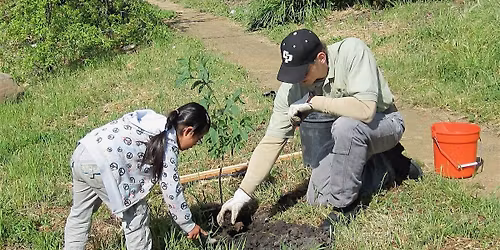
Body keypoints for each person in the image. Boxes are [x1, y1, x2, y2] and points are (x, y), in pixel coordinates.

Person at [217, 29, 421, 229]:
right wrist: (242, 194)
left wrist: (315, 102)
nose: (298, 80)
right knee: (318, 196)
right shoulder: (292, 88)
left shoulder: (352, 52)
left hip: (384, 122)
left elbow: (366, 110)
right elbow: (272, 140)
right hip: (347, 137)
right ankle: (386, 166)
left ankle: (345, 207)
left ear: (321, 58)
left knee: (346, 126)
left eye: (302, 73)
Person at [64, 102, 210, 249]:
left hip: (84, 151)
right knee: (136, 215)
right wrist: (188, 225)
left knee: (80, 213)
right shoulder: (168, 144)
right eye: (198, 139)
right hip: (103, 165)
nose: (195, 144)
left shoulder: (153, 121)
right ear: (188, 131)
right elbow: (172, 190)